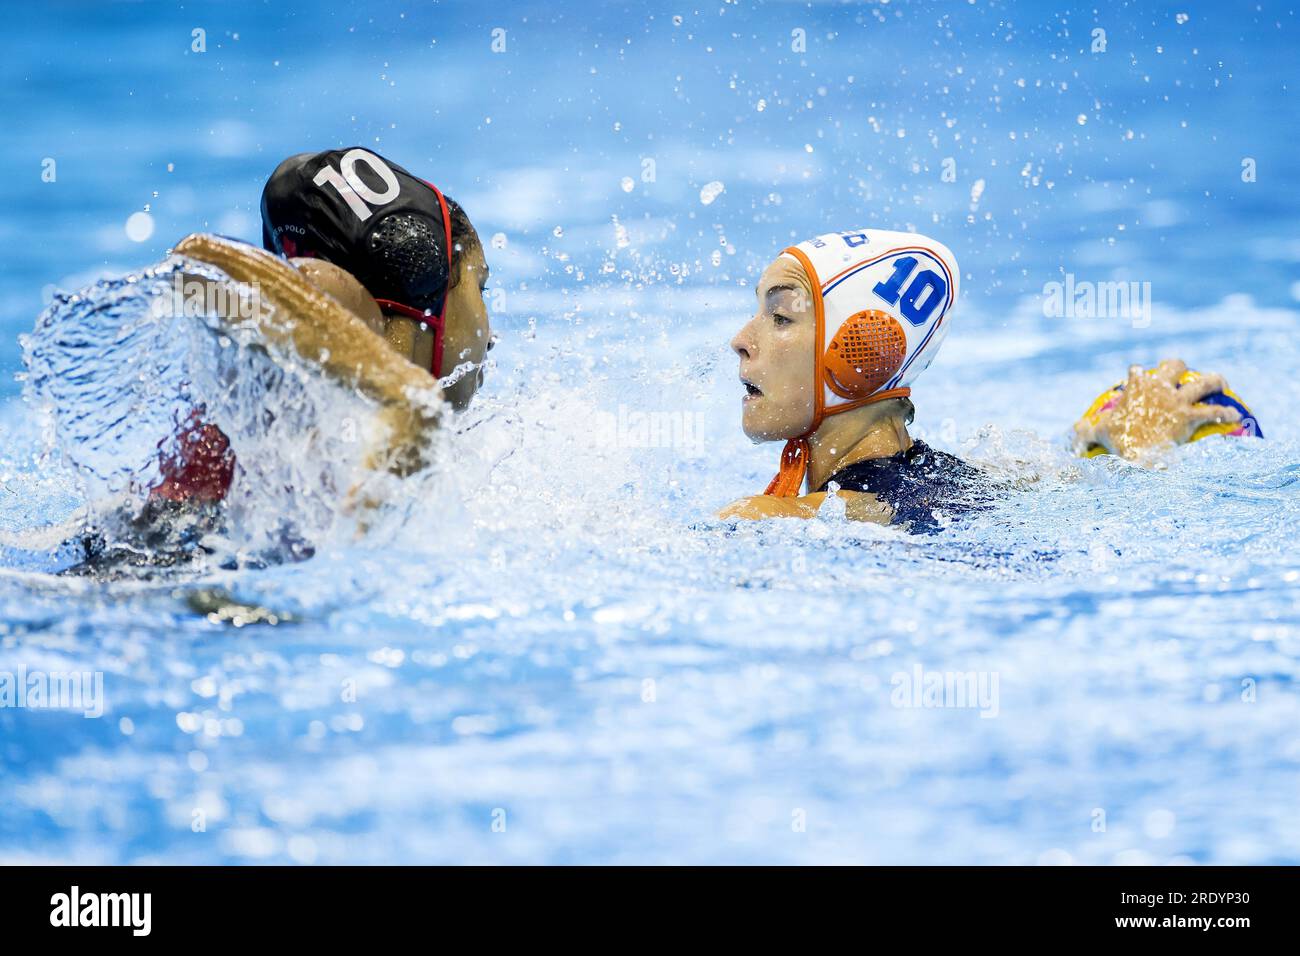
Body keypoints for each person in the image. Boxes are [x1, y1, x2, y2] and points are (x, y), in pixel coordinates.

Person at [718, 229, 1250, 530]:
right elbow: (1100, 492)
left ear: (861, 354)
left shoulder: (826, 518)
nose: (742, 338)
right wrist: (1139, 450)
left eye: (781, 316)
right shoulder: (970, 478)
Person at [156, 147, 494, 505]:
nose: (490, 338)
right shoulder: (352, 314)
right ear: (426, 280)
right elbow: (195, 266)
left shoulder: (354, 404)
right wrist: (397, 385)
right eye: (481, 286)